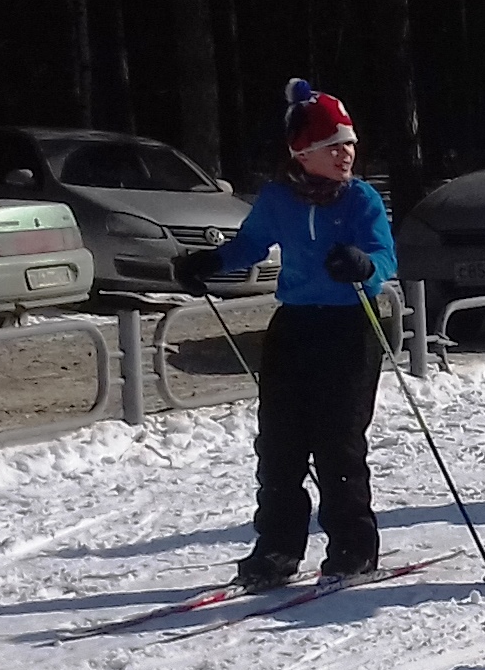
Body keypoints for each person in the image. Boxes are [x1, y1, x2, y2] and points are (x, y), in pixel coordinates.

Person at [170, 80, 397, 590]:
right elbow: (249, 244)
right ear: (304, 152)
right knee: (280, 444)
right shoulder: (278, 199)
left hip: (349, 326)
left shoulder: (360, 199)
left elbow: (384, 256)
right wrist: (208, 263)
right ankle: (276, 548)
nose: (346, 154)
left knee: (339, 443)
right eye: (333, 146)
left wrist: (365, 265)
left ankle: (353, 548)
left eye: (350, 145)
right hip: (295, 326)